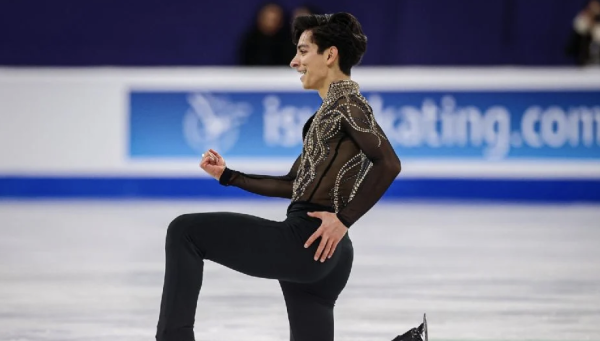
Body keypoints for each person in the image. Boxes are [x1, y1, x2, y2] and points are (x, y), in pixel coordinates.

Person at [155, 12, 427, 341]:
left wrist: (343, 220)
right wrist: (228, 175)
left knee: (185, 231)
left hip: (307, 241)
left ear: (330, 55)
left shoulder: (349, 106)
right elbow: (293, 185)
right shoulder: (327, 113)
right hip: (327, 251)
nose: (293, 62)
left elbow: (388, 163)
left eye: (302, 51)